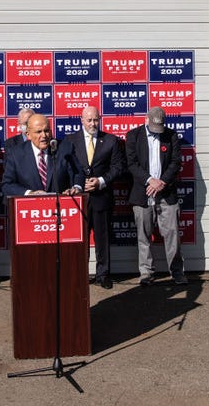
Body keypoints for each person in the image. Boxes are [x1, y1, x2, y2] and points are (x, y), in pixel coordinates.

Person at [65, 106, 126, 289]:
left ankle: (103, 274)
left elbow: (118, 167)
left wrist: (101, 181)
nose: (93, 123)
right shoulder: (70, 141)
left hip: (102, 197)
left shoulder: (111, 141)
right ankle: (80, 275)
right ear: (81, 120)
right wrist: (76, 185)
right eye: (89, 120)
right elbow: (65, 167)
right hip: (79, 200)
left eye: (96, 120)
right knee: (79, 240)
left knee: (103, 238)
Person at [126, 107, 186, 286]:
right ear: (146, 120)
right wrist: (150, 180)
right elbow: (131, 163)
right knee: (143, 236)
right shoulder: (133, 136)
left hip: (166, 193)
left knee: (172, 235)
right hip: (142, 193)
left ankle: (177, 272)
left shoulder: (171, 135)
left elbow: (175, 162)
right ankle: (146, 273)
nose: (157, 131)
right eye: (153, 126)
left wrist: (162, 182)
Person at [1, 114, 82, 198]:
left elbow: (78, 173)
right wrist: (30, 193)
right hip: (30, 207)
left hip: (61, 207)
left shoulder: (65, 148)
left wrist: (76, 187)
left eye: (46, 131)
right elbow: (7, 185)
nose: (44, 135)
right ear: (28, 134)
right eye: (38, 132)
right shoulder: (16, 154)